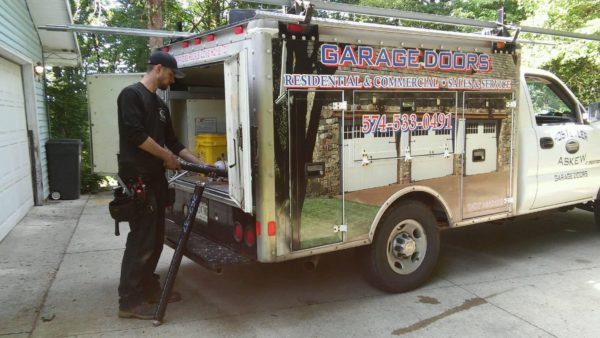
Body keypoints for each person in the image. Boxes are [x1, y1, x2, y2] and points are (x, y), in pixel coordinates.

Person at [116, 50, 201, 320]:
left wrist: (199, 163)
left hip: (156, 180)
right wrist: (167, 157)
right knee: (141, 240)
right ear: (159, 69)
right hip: (138, 178)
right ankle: (129, 302)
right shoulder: (131, 95)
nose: (172, 80)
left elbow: (174, 143)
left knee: (154, 239)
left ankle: (149, 289)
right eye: (172, 74)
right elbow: (135, 135)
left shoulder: (161, 106)